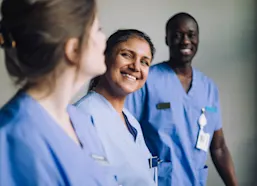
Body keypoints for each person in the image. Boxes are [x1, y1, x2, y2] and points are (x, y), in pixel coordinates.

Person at [0, 0, 118, 185]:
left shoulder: (80, 121)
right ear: (73, 49)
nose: (104, 40)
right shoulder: (13, 139)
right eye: (98, 30)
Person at [125, 12, 238, 186]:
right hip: (157, 181)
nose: (185, 41)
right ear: (167, 39)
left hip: (195, 180)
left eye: (191, 35)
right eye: (177, 35)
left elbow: (219, 147)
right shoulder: (147, 80)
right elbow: (125, 135)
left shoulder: (208, 87)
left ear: (198, 39)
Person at [75, 29, 157, 186]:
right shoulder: (83, 116)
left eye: (144, 62)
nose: (136, 67)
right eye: (126, 55)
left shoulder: (131, 122)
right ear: (105, 58)